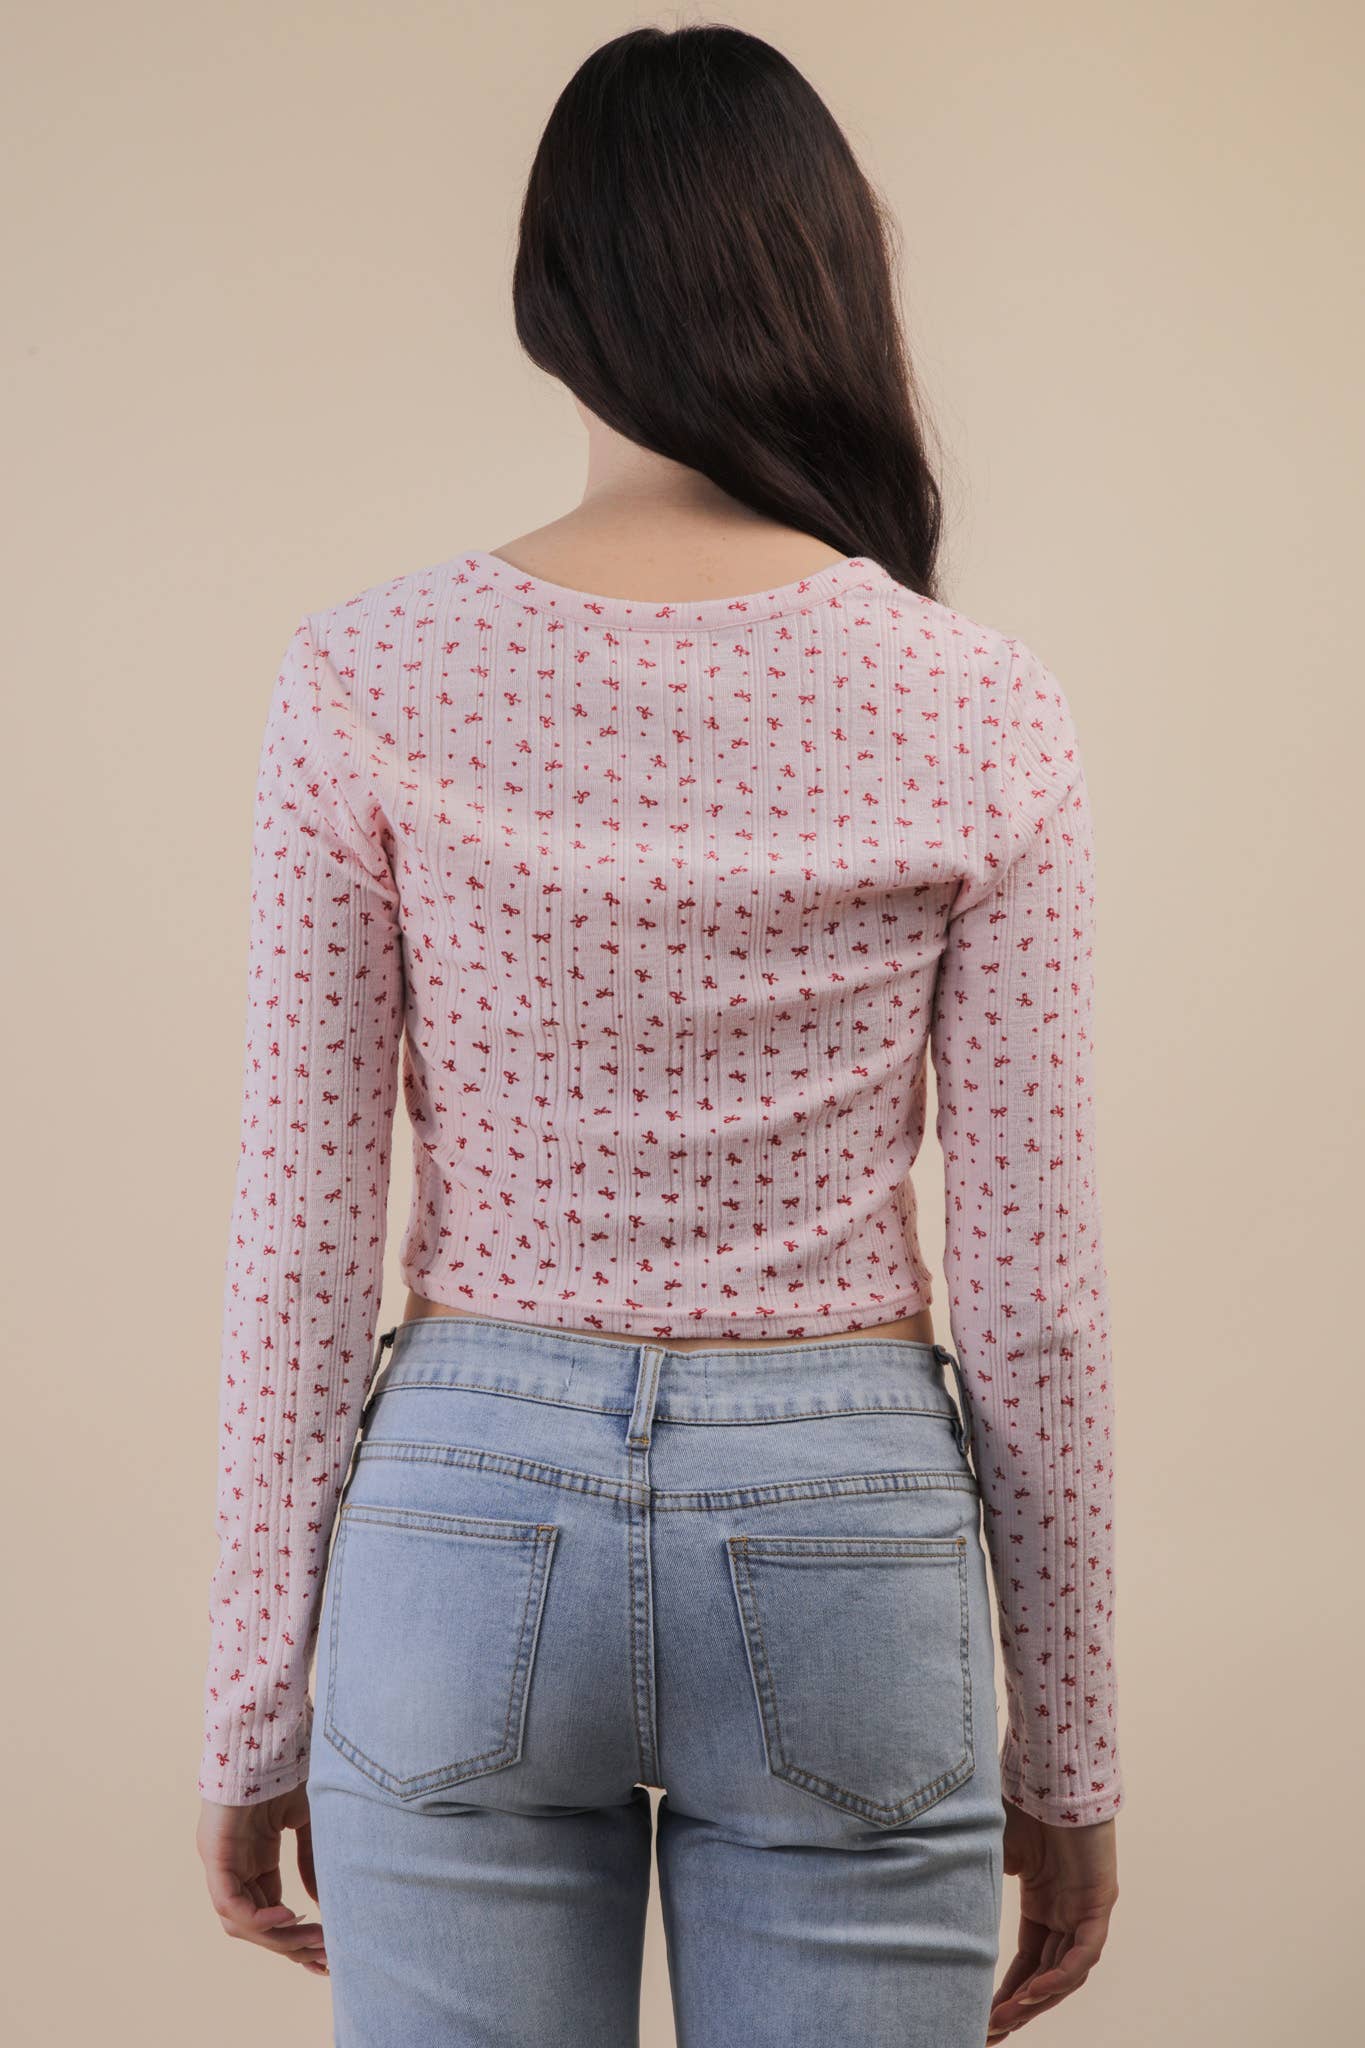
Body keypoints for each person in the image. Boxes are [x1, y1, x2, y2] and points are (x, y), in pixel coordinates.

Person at [195, 23, 1121, 2047]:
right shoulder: (980, 702)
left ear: (554, 293)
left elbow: (297, 1240)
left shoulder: (366, 676)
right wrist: (1067, 1754)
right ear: (832, 281)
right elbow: (1033, 1288)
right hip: (843, 1522)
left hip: (461, 1508)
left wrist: (249, 1710)